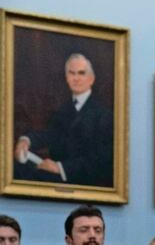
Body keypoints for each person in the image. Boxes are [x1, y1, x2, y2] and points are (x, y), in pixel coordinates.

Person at [13, 54, 112, 187]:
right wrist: (25, 140)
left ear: (91, 79)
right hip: (56, 179)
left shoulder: (103, 114)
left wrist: (61, 167)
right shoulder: (64, 109)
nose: (76, 78)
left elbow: (100, 159)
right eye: (72, 73)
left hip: (84, 183)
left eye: (81, 73)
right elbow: (49, 134)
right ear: (67, 78)